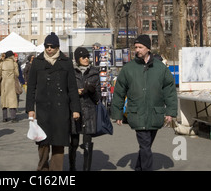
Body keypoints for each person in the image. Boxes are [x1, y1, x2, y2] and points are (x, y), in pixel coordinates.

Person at [111, 34, 178, 171]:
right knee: (145, 145)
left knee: (146, 146)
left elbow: (170, 90)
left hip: (155, 113)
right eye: (135, 47)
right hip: (137, 113)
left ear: (148, 48)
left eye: (140, 47)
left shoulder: (160, 68)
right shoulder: (128, 68)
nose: (137, 50)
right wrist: (117, 113)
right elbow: (119, 92)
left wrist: (170, 111)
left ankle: (138, 167)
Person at [26, 32, 81, 171]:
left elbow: (72, 88)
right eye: (47, 46)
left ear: (57, 47)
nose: (49, 49)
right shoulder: (37, 62)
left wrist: (75, 109)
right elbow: (31, 87)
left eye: (52, 46)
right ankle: (43, 168)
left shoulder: (66, 62)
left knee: (59, 143)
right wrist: (30, 109)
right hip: (43, 109)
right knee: (43, 143)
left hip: (61, 110)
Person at [69, 47, 101, 171]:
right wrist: (75, 92)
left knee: (88, 142)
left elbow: (98, 97)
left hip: (89, 111)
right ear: (77, 59)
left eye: (88, 56)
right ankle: (72, 168)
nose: (86, 59)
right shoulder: (71, 72)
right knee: (74, 142)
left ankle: (86, 169)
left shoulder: (94, 72)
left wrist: (92, 91)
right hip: (75, 111)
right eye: (83, 57)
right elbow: (66, 93)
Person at [0, 50, 19, 122]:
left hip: (4, 83)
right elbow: (17, 74)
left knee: (4, 100)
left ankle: (4, 117)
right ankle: (13, 117)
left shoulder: (2, 63)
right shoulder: (14, 64)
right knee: (12, 100)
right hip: (12, 83)